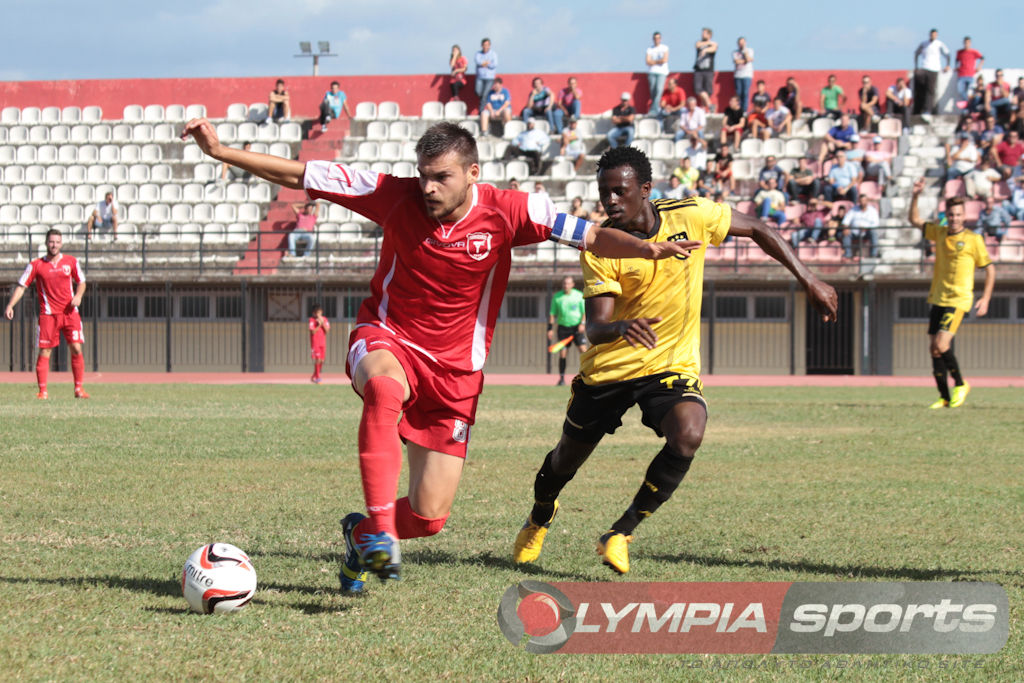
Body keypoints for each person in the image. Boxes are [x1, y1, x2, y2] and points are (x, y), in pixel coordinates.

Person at [180, 117, 698, 592]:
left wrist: (648, 249)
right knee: (384, 390)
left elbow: (589, 236)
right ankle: (381, 531)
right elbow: (302, 175)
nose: (428, 187)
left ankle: (361, 536)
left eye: (442, 177)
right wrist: (221, 151)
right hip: (388, 337)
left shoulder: (512, 210)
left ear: (473, 172)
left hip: (455, 373)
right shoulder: (391, 195)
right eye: (423, 174)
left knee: (430, 517)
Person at [511, 145, 837, 575]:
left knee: (688, 434)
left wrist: (808, 278)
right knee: (563, 463)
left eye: (619, 192)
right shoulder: (601, 245)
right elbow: (597, 327)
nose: (610, 201)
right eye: (603, 192)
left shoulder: (692, 214)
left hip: (669, 367)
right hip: (609, 370)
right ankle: (540, 516)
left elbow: (757, 228)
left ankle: (620, 532)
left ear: (645, 190)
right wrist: (622, 328)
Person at [909, 178, 995, 409]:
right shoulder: (939, 232)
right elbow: (914, 220)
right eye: (951, 214)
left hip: (958, 299)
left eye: (959, 214)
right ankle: (944, 397)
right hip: (937, 297)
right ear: (947, 215)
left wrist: (985, 298)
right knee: (933, 349)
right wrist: (915, 195)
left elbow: (990, 270)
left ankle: (960, 383)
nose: (955, 218)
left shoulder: (973, 240)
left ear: (964, 216)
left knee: (942, 343)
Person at [4, 229, 89, 400]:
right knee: (45, 351)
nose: (54, 245)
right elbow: (21, 286)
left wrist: (78, 296)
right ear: (46, 243)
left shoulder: (71, 262)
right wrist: (10, 305)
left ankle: (78, 389)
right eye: (51, 242)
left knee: (76, 347)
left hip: (70, 313)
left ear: (61, 243)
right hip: (48, 315)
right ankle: (43, 392)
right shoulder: (35, 265)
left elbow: (82, 282)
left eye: (57, 242)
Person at [548, 276, 588, 386]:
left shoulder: (579, 296)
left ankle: (587, 376)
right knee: (563, 353)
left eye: (568, 283)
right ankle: (561, 378)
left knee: (584, 352)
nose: (566, 286)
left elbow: (584, 312)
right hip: (563, 329)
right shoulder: (557, 297)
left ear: (572, 284)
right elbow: (552, 314)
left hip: (577, 328)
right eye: (564, 284)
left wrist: (582, 324)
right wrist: (550, 329)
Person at [913, 29, 951, 115]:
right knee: (920, 89)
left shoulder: (939, 44)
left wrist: (947, 65)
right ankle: (918, 109)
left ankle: (928, 110)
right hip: (924, 68)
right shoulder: (924, 44)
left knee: (930, 91)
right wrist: (916, 67)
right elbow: (916, 53)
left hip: (934, 69)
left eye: (935, 35)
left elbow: (947, 54)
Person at [840, 194, 880, 258]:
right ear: (859, 201)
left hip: (867, 232)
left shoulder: (872, 211)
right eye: (861, 201)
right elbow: (845, 221)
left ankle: (874, 254)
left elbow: (876, 223)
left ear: (867, 201)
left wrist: (866, 228)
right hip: (855, 232)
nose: (863, 202)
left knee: (874, 232)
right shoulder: (853, 210)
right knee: (846, 233)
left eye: (864, 200)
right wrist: (846, 228)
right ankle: (848, 254)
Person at [645, 31, 670, 116]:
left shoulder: (665, 48)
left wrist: (654, 61)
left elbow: (665, 60)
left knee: (659, 90)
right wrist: (658, 61)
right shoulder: (650, 49)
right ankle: (655, 107)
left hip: (661, 72)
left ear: (661, 39)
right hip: (652, 72)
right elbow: (648, 61)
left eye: (658, 38)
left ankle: (654, 110)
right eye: (655, 38)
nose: (657, 40)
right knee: (653, 91)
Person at [693, 28, 717, 111]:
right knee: (698, 89)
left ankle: (704, 108)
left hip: (708, 70)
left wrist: (705, 49)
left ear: (709, 35)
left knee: (708, 91)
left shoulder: (713, 44)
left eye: (704, 33)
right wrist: (706, 45)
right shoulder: (699, 42)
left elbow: (714, 48)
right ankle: (710, 105)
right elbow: (697, 45)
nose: (702, 35)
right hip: (699, 70)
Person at [954, 37, 984, 103]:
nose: (966, 44)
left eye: (968, 43)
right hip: (961, 75)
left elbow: (982, 58)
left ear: (970, 43)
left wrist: (979, 67)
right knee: (961, 91)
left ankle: (967, 105)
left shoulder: (974, 52)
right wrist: (956, 67)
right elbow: (957, 60)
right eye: (965, 43)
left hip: (970, 75)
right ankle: (968, 102)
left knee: (969, 92)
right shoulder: (960, 52)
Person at [732, 37, 754, 114]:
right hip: (738, 75)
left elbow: (749, 59)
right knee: (738, 93)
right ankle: (738, 109)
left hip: (747, 75)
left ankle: (744, 110)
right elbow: (736, 61)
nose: (741, 44)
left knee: (745, 93)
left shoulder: (750, 50)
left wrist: (745, 51)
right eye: (740, 43)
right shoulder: (735, 52)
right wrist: (746, 60)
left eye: (743, 42)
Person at [309, 305, 330, 384]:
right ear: (313, 313)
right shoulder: (311, 320)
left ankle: (314, 375)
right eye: (317, 313)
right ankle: (317, 377)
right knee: (317, 359)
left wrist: (322, 323)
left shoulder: (325, 319)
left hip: (322, 342)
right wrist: (318, 325)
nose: (318, 314)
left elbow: (327, 331)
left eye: (320, 313)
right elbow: (312, 332)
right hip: (315, 343)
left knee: (322, 360)